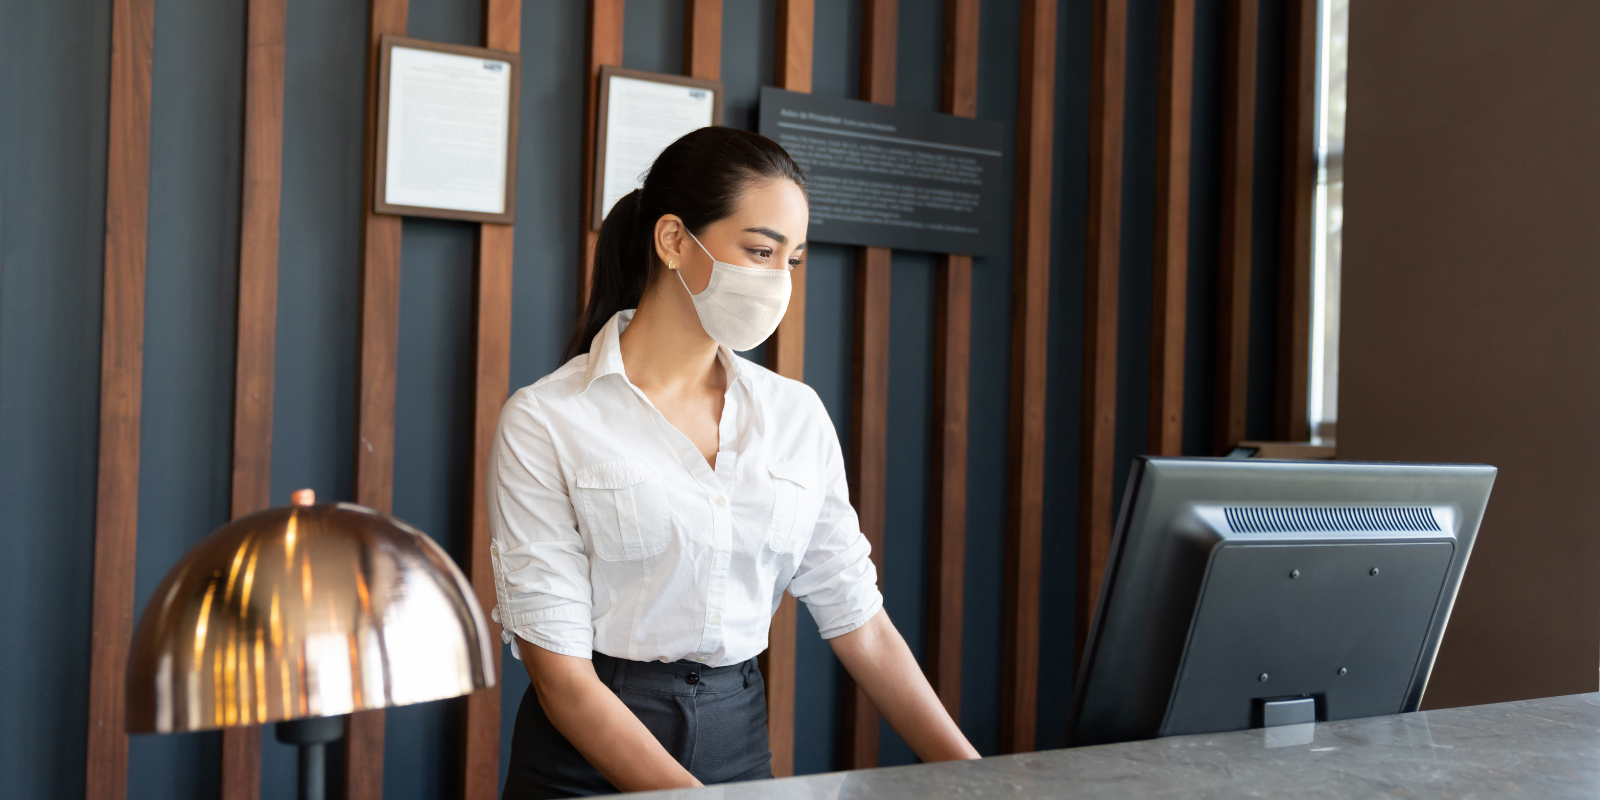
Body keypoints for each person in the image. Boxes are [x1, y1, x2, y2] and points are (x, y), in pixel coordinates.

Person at [488, 126, 979, 798]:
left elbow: (861, 623)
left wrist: (984, 780)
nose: (778, 281)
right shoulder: (547, 419)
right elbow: (563, 681)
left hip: (737, 742)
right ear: (672, 240)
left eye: (792, 260)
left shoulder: (795, 415)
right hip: (586, 759)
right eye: (759, 250)